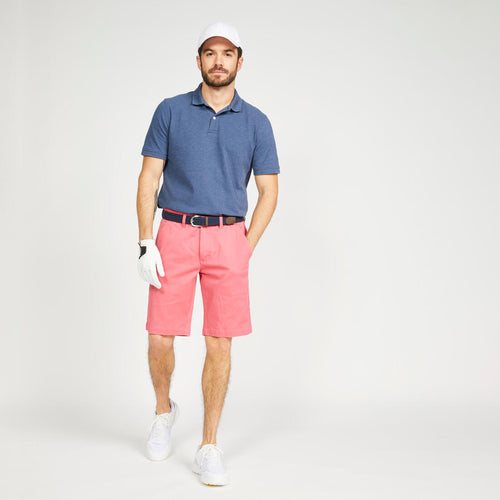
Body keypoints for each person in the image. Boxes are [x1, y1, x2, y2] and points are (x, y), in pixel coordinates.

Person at [136, 21, 280, 486]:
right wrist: (145, 240)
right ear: (198, 60)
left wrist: (245, 246)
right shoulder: (171, 110)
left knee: (220, 342)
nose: (219, 61)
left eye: (227, 53)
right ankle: (164, 411)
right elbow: (149, 177)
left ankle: (209, 445)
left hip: (227, 237)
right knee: (160, 337)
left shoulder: (256, 122)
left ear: (240, 60)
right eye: (210, 53)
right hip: (175, 232)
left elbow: (269, 191)